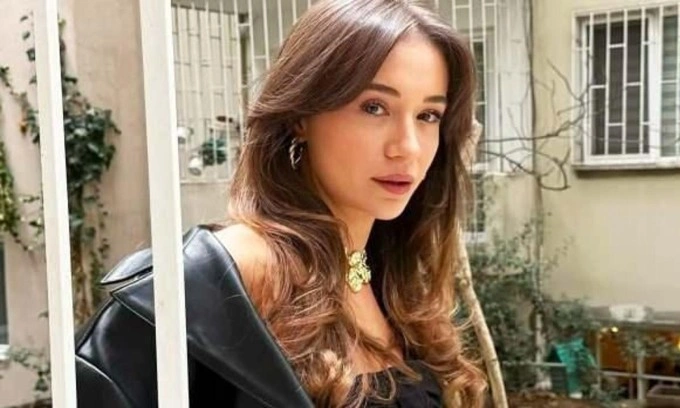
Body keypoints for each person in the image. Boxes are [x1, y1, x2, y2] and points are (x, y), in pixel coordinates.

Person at [75, 0, 488, 406]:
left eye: (428, 115)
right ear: (300, 116)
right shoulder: (217, 278)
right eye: (374, 107)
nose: (408, 147)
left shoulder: (387, 274)